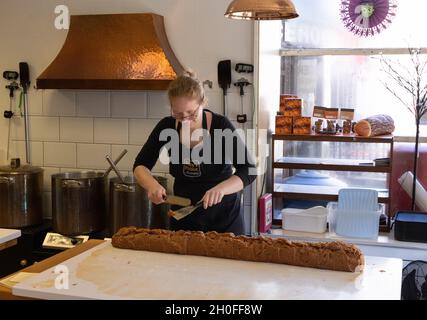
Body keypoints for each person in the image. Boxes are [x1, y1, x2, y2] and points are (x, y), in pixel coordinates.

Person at [133, 71, 256, 235]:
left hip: (224, 220)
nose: (184, 121)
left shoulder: (220, 126)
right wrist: (152, 185)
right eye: (178, 114)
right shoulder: (166, 126)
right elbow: (140, 165)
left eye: (191, 114)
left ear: (203, 102)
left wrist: (221, 189)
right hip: (184, 219)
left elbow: (248, 169)